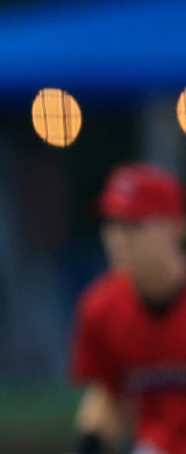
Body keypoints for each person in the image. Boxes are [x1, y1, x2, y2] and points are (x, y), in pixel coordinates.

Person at [71, 163, 186, 454]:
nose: (118, 238)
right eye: (112, 223)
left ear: (175, 226)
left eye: (134, 224)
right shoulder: (101, 308)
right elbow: (106, 397)